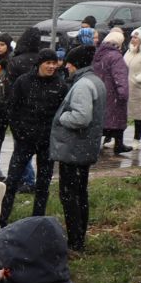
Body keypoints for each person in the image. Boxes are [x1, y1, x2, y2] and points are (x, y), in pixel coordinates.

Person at [48, 43, 105, 253]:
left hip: (74, 150)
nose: (67, 69)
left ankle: (75, 241)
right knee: (80, 193)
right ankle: (79, 237)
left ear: (76, 65)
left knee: (69, 195)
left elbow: (81, 117)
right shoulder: (96, 81)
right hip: (85, 148)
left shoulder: (82, 85)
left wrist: (62, 117)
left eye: (70, 65)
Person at [1, 46, 66, 224]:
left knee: (43, 184)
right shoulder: (23, 81)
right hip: (24, 141)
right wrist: (19, 133)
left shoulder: (60, 85)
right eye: (48, 63)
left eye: (54, 63)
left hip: (46, 143)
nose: (52, 66)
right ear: (39, 64)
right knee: (12, 181)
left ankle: (36, 221)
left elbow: (61, 114)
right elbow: (12, 109)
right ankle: (2, 218)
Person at [92, 30, 131, 156]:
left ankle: (96, 146)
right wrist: (123, 93)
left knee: (102, 121)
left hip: (100, 91)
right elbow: (120, 77)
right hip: (113, 93)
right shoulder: (116, 57)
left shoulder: (98, 54)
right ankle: (119, 145)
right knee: (117, 120)